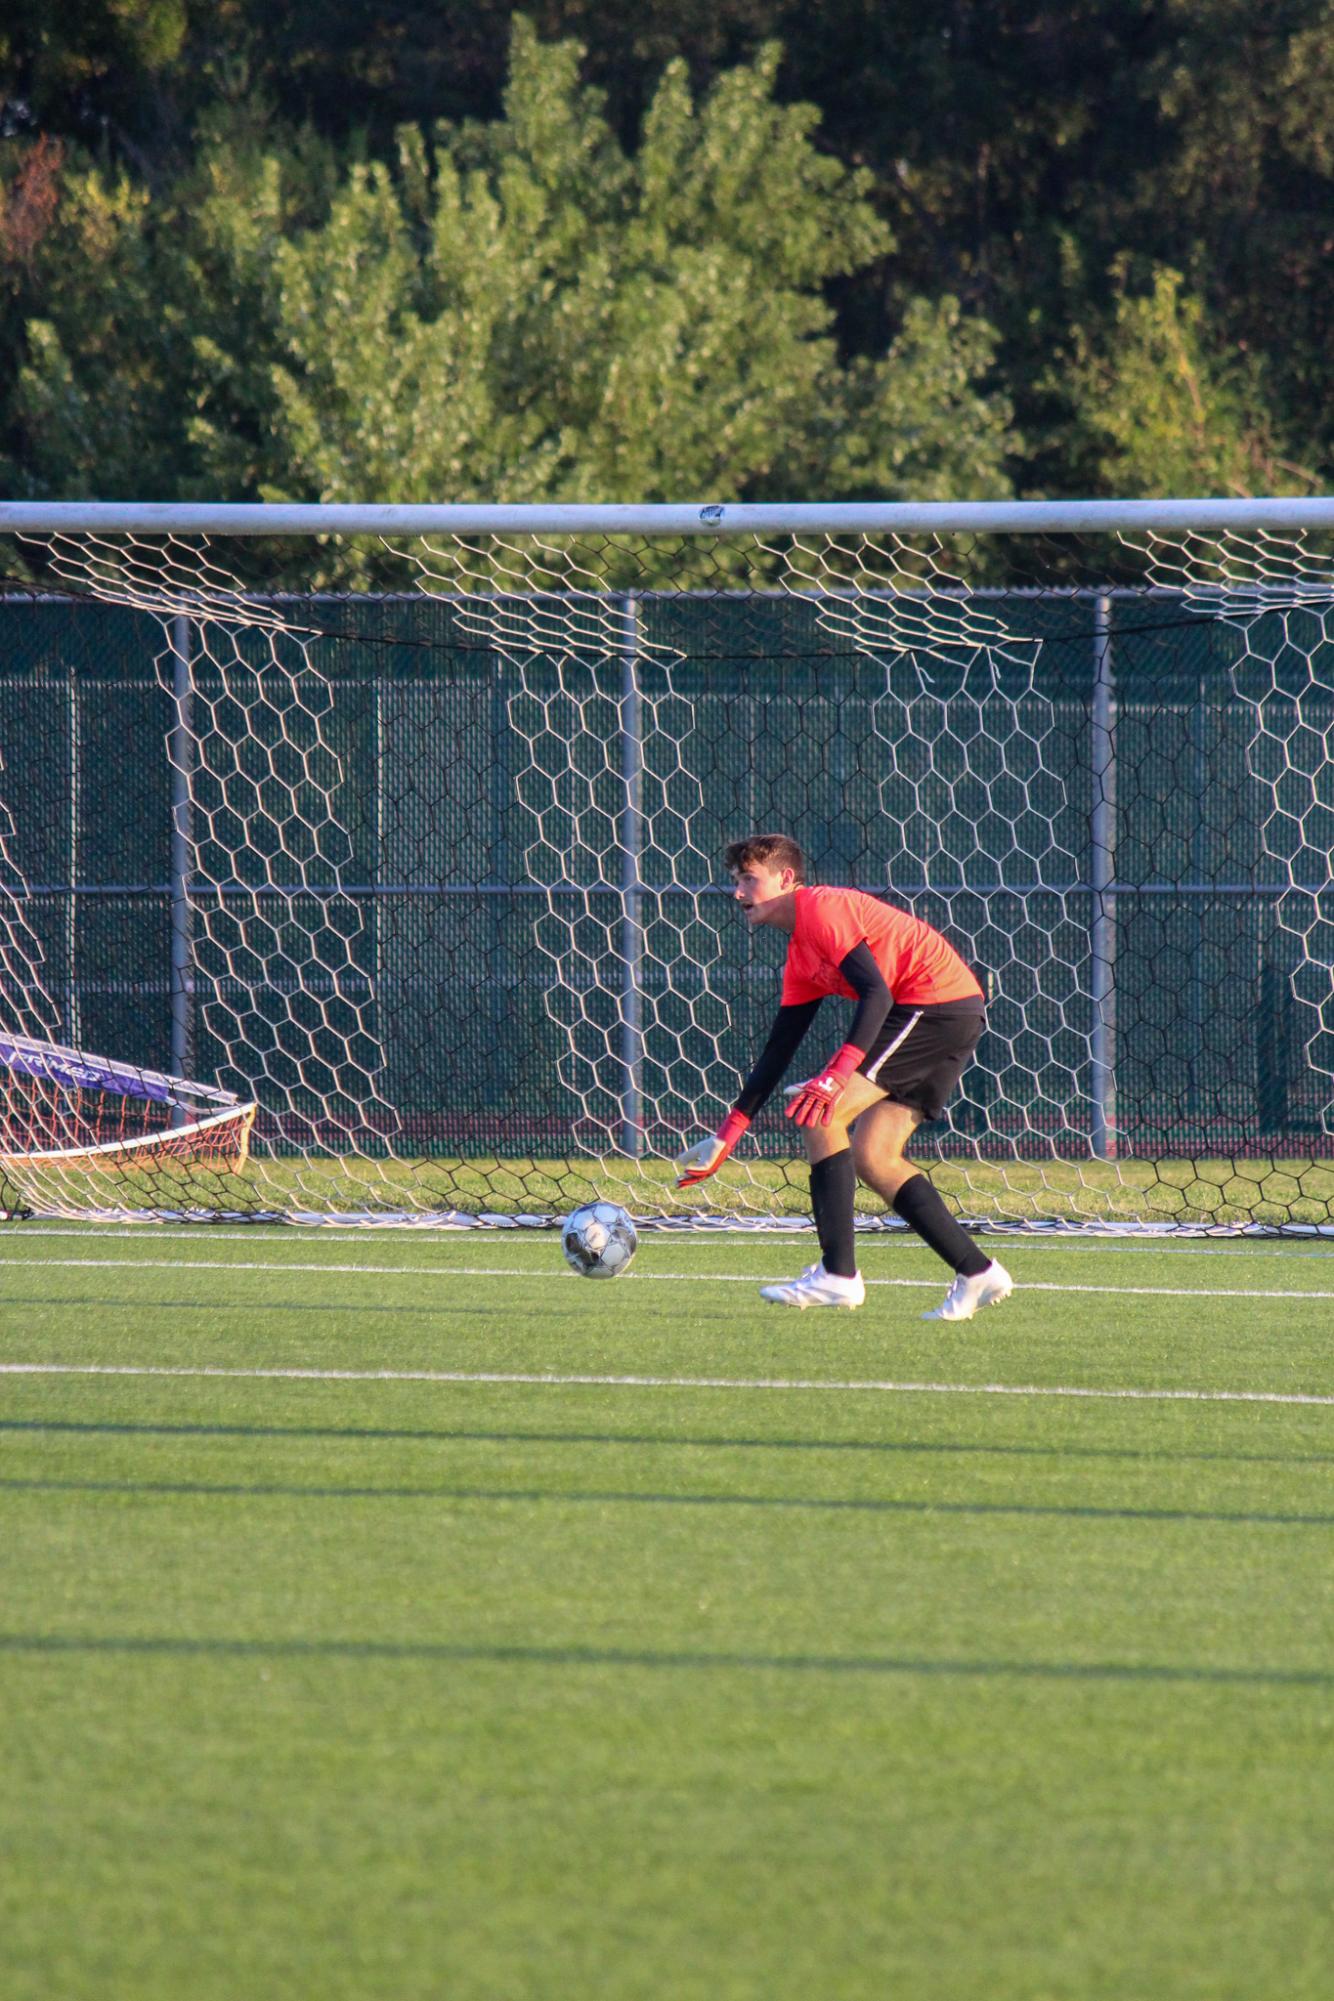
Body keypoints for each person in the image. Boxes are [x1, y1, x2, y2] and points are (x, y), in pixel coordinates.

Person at [675, 833, 1012, 1320]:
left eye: (750, 879)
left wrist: (835, 1077)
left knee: (819, 1114)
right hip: (943, 1011)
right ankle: (977, 1272)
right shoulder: (800, 955)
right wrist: (727, 1136)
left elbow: (877, 995)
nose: (738, 893)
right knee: (875, 1157)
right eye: (735, 881)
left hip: (935, 1006)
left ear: (787, 879)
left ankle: (838, 1276)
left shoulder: (822, 911)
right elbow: (779, 1049)